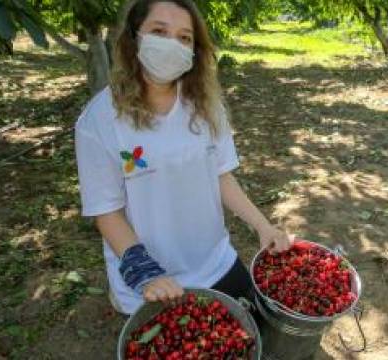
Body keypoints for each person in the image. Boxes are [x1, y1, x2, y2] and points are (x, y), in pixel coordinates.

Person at [74, 0, 292, 315]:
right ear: (135, 38)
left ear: (194, 51)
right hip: (151, 281)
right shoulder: (99, 120)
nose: (172, 44)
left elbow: (220, 175)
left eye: (184, 37)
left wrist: (263, 227)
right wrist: (146, 272)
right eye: (159, 31)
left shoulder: (206, 106)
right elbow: (106, 211)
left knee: (255, 333)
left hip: (215, 260)